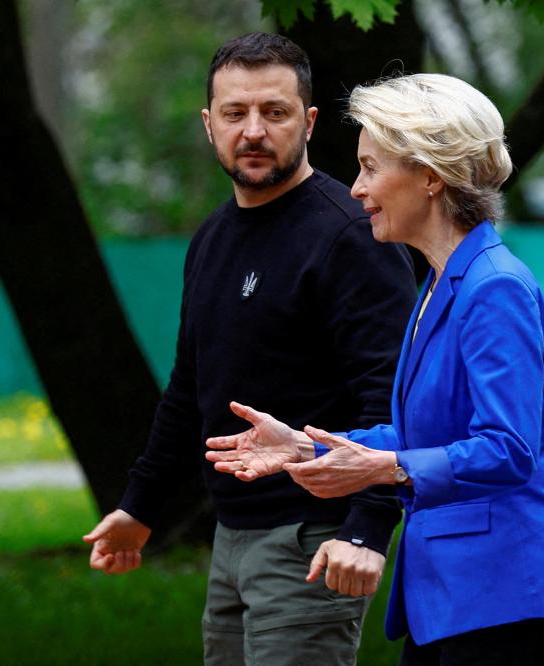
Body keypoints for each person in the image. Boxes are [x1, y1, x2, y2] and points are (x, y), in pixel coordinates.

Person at [205, 73, 544, 665]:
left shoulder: (495, 288)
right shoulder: (442, 281)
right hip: (452, 596)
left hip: (508, 596)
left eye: (371, 167)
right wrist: (307, 450)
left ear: (431, 177)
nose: (357, 189)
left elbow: (510, 449)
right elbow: (425, 436)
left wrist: (385, 469)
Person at [82, 33, 418, 666]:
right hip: (231, 535)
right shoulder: (212, 237)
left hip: (313, 539)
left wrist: (369, 528)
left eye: (276, 111)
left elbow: (393, 398)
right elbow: (190, 389)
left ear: (310, 122)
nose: (254, 131)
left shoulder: (349, 236)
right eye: (235, 114)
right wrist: (138, 507)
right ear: (209, 126)